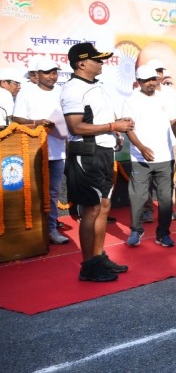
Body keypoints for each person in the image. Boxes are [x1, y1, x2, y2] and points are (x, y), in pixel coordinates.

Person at [61, 43, 135, 282]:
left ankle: (98, 256)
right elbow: (75, 126)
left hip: (103, 152)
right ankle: (88, 266)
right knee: (91, 209)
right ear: (82, 63)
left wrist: (117, 130)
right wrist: (114, 127)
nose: (101, 63)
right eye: (97, 60)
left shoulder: (98, 86)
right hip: (86, 155)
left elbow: (102, 118)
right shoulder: (73, 89)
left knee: (103, 206)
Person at [122, 63, 176, 247]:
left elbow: (175, 123)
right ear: (138, 81)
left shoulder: (166, 97)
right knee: (138, 197)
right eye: (146, 81)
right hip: (140, 158)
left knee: (166, 198)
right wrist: (141, 147)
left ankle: (163, 233)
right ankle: (136, 230)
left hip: (165, 157)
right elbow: (128, 128)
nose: (151, 83)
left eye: (154, 79)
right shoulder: (131, 100)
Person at [11, 59, 70, 244]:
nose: (52, 76)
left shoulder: (62, 92)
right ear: (37, 74)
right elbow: (17, 118)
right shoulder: (27, 93)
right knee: (34, 193)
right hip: (33, 150)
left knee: (53, 193)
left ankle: (51, 229)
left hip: (58, 150)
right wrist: (38, 122)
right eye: (47, 72)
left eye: (55, 72)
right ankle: (34, 232)